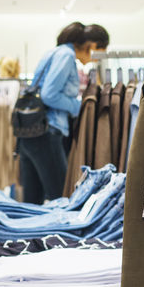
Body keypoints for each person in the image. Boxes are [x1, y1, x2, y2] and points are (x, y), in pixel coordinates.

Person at [18, 22, 109, 204]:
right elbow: (49, 95)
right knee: (62, 196)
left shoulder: (54, 52)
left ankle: (32, 233)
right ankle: (62, 233)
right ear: (91, 46)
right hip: (47, 130)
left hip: (30, 130)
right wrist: (79, 106)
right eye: (98, 52)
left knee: (33, 198)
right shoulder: (66, 56)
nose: (96, 59)